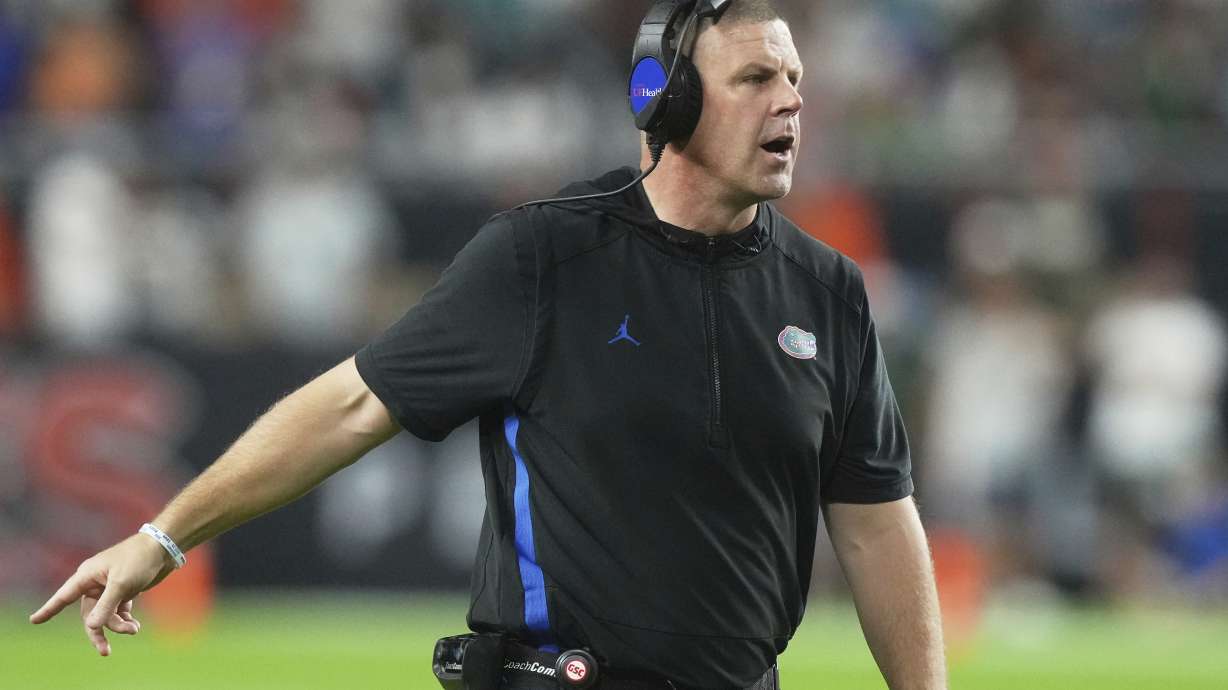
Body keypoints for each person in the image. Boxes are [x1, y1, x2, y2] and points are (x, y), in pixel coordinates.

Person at [29, 2, 946, 688]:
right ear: (662, 99)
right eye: (757, 79)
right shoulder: (545, 254)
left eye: (794, 80)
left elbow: (874, 524)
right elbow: (352, 405)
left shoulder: (829, 290)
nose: (790, 101)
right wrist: (163, 538)